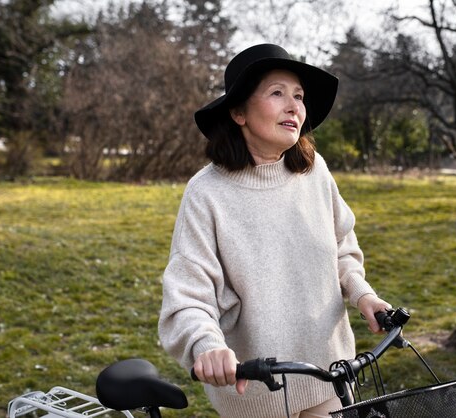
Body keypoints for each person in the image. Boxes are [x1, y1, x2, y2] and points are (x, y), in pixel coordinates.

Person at [158, 43, 392, 418]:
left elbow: (342, 247)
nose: (294, 106)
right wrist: (205, 345)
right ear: (238, 113)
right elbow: (188, 293)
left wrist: (363, 295)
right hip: (255, 390)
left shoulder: (314, 171)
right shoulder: (207, 193)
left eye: (298, 96)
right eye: (277, 93)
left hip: (330, 374)